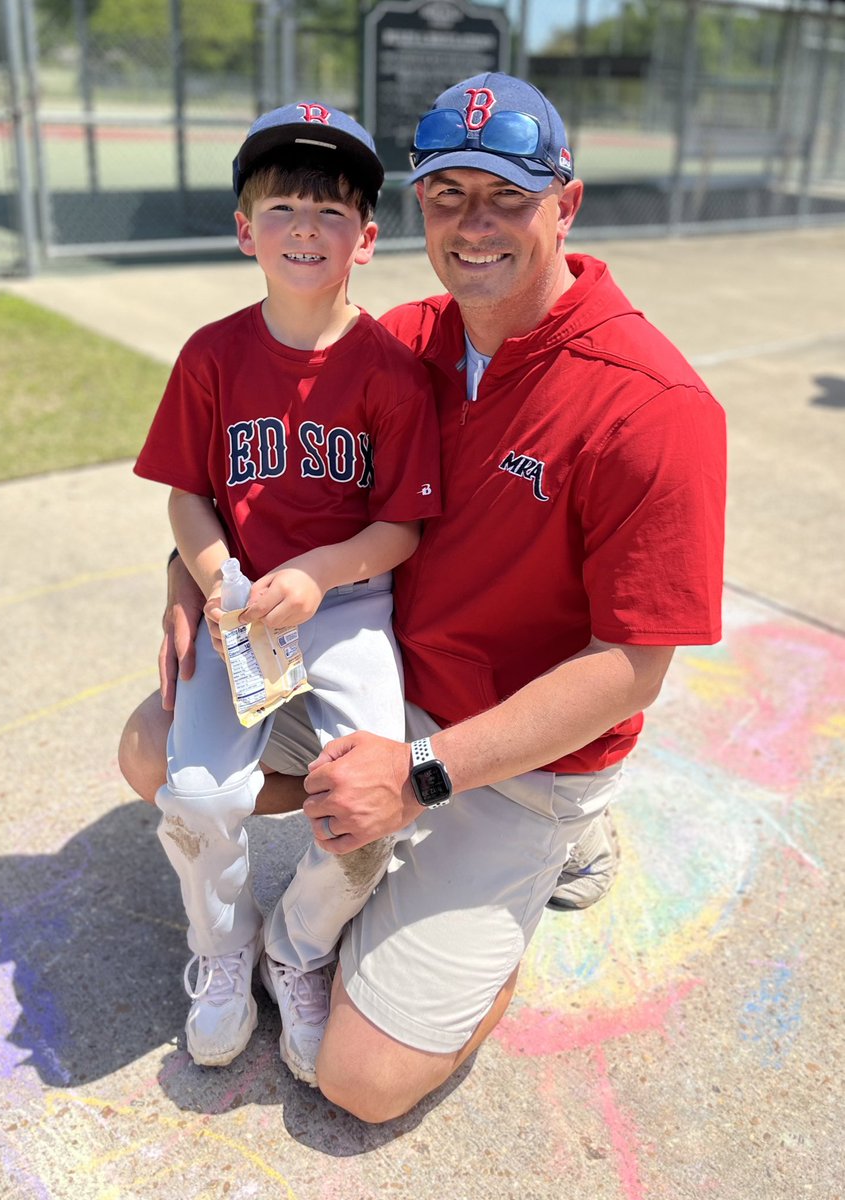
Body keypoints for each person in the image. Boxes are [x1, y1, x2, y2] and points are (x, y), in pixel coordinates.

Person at [119, 72, 726, 1121]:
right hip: (392, 688)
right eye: (449, 196)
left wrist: (424, 776)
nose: (473, 224)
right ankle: (392, 860)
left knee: (358, 1083)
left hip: (518, 758)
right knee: (156, 747)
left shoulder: (653, 405)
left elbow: (634, 669)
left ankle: (529, 878)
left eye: (507, 196)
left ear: (567, 205)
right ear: (416, 210)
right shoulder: (404, 342)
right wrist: (191, 576)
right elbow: (242, 486)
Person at [131, 101, 441, 1085]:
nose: (305, 228)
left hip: (346, 609)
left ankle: (297, 946)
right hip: (239, 609)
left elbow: (399, 527)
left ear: (368, 239)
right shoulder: (212, 355)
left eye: (331, 211)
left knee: (369, 802)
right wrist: (217, 572)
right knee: (195, 791)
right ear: (243, 229)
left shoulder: (391, 373)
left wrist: (318, 572)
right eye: (282, 207)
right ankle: (223, 948)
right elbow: (188, 493)